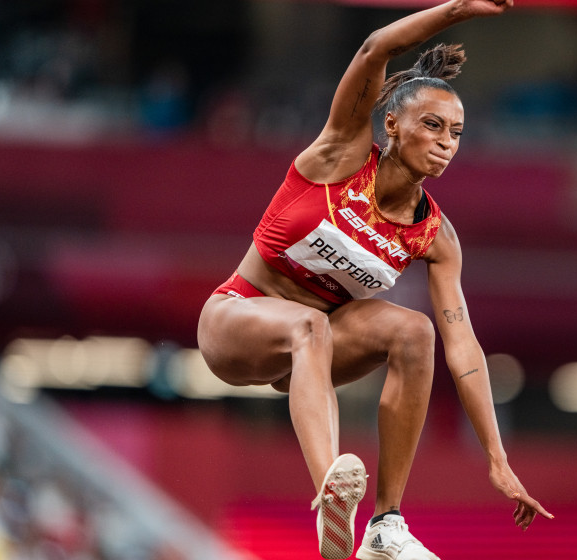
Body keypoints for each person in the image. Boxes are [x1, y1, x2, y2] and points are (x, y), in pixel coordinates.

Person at [197, 1, 553, 558]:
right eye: (431, 125)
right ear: (392, 124)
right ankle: (330, 501)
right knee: (309, 324)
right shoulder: (341, 155)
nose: (445, 142)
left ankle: (385, 525)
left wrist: (497, 459)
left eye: (456, 132)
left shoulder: (435, 237)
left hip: (310, 357)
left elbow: (465, 349)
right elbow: (375, 48)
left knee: (416, 333)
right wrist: (458, 9)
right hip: (236, 320)